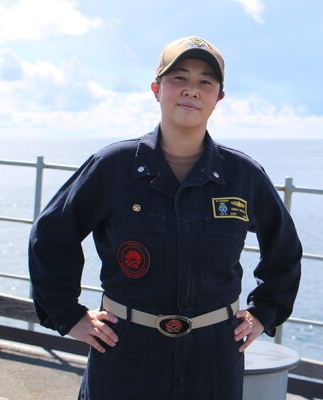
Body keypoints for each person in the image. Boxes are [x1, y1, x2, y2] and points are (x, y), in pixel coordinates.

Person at [28, 36, 302, 400]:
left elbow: (284, 249)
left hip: (214, 357)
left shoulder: (243, 176)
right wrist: (67, 314)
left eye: (205, 81)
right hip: (124, 350)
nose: (192, 90)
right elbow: (50, 235)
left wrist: (265, 311)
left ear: (218, 97)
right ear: (157, 89)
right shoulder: (113, 167)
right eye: (179, 79)